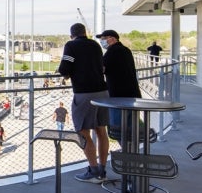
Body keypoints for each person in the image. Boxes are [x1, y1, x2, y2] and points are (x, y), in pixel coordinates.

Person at [58, 23, 110, 183]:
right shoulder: (95, 45)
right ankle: (102, 169)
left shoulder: (71, 45)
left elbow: (64, 68)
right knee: (101, 130)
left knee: (82, 131)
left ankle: (93, 170)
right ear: (85, 33)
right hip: (102, 91)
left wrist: (67, 74)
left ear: (71, 35)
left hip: (84, 93)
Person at [97, 29, 142, 148]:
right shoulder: (126, 50)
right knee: (132, 128)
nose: (102, 41)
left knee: (117, 129)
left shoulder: (112, 52)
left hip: (118, 97)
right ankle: (133, 153)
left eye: (104, 39)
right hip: (133, 95)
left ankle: (126, 153)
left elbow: (101, 69)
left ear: (112, 39)